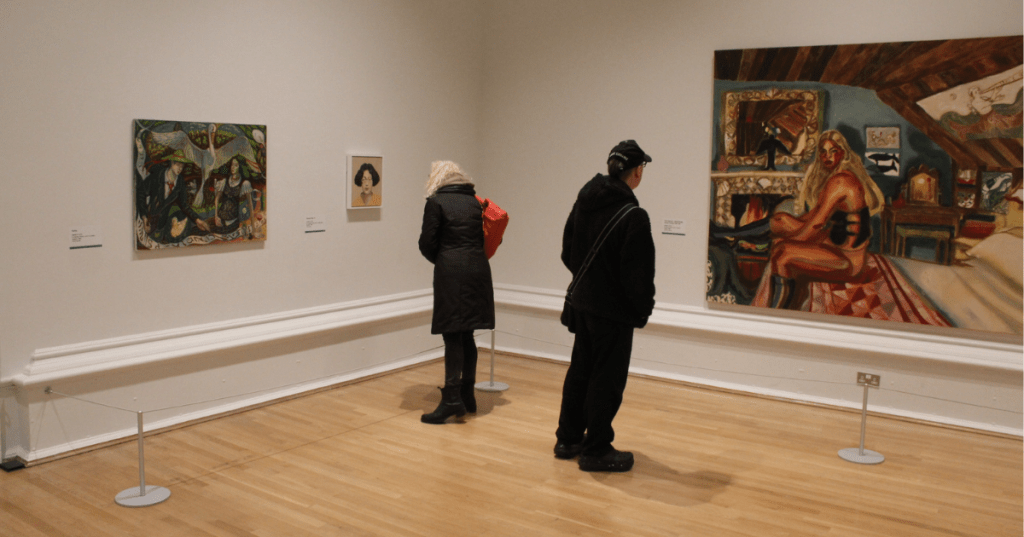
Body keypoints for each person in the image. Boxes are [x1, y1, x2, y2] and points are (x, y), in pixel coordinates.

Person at [555, 140, 656, 472]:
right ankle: (597, 448)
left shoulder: (584, 202)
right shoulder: (633, 216)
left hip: (582, 305)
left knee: (580, 371)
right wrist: (640, 310)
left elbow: (568, 252)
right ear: (637, 172)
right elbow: (638, 277)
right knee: (606, 379)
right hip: (613, 313)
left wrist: (590, 286)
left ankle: (568, 438)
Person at [765, 130, 884, 308]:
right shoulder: (836, 177)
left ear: (843, 152)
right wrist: (786, 225)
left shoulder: (840, 181)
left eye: (833, 151)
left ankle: (777, 312)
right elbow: (813, 216)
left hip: (849, 261)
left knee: (783, 253)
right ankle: (734, 234)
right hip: (834, 246)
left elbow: (817, 224)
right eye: (823, 151)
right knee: (780, 220)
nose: (827, 156)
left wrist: (790, 240)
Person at [417, 161, 495, 424]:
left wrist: (444, 259)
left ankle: (451, 400)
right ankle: (467, 394)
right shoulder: (474, 201)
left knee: (452, 334)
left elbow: (426, 243)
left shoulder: (436, 202)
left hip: (452, 273)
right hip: (478, 270)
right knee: (467, 333)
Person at [136, 154, 210, 244]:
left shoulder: (180, 182)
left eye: (182, 166)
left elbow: (184, 205)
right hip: (147, 216)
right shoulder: (157, 175)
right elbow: (140, 193)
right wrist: (144, 217)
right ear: (171, 163)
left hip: (162, 222)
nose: (180, 168)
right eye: (177, 165)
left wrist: (197, 220)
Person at [211, 156, 257, 237]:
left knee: (215, 234)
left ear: (240, 167)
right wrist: (216, 216)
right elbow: (217, 198)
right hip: (220, 219)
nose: (233, 167)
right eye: (232, 165)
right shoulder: (224, 181)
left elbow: (250, 206)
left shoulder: (244, 183)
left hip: (232, 222)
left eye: (236, 165)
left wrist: (253, 229)